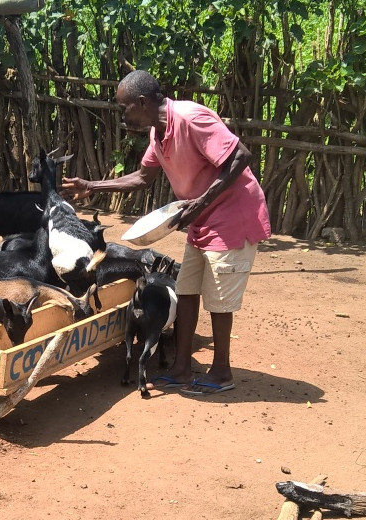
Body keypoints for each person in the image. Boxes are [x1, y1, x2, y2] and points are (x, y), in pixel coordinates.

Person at [61, 70, 271, 396]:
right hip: (202, 218)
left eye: (124, 107)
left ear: (142, 103)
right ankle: (182, 368)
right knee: (186, 290)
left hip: (231, 216)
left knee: (218, 299)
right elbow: (143, 178)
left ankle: (221, 372)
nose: (122, 114)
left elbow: (240, 156)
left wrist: (201, 201)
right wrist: (91, 186)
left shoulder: (190, 118)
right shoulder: (158, 135)